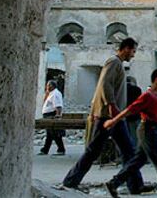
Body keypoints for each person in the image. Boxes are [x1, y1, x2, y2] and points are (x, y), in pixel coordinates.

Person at [63, 38, 152, 195]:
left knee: (129, 151)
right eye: (133, 51)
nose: (133, 55)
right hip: (107, 116)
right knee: (94, 150)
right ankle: (70, 181)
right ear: (125, 49)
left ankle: (136, 185)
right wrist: (111, 105)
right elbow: (105, 84)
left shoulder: (118, 64)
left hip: (116, 117)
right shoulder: (114, 62)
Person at [103, 69, 157, 198]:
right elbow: (130, 109)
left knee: (137, 161)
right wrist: (114, 121)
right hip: (148, 130)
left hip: (153, 129)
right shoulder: (147, 96)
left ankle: (114, 183)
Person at [39, 80, 66, 155]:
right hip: (48, 115)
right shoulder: (51, 94)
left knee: (54, 133)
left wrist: (57, 116)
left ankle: (61, 149)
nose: (46, 87)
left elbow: (58, 106)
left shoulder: (55, 94)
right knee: (49, 134)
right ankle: (45, 149)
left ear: (52, 86)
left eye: (48, 85)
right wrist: (47, 93)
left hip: (51, 115)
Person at [126, 76, 142, 146]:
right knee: (138, 134)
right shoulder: (137, 89)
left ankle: (134, 149)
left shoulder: (123, 90)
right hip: (138, 114)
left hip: (128, 115)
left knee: (131, 135)